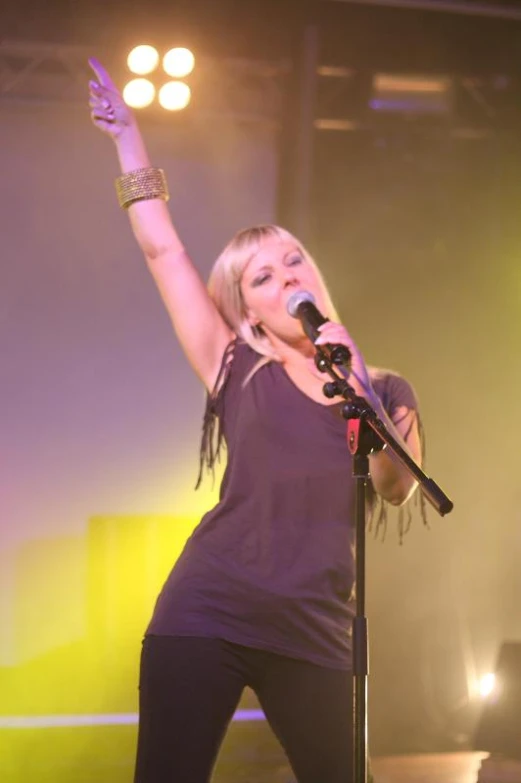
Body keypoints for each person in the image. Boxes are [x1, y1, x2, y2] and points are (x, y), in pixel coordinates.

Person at [88, 58, 423, 783]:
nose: (288, 277)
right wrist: (129, 141)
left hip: (314, 630)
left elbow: (395, 487)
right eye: (263, 276)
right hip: (210, 606)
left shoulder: (383, 385)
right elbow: (161, 247)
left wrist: (356, 377)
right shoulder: (234, 365)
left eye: (293, 259)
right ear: (247, 311)